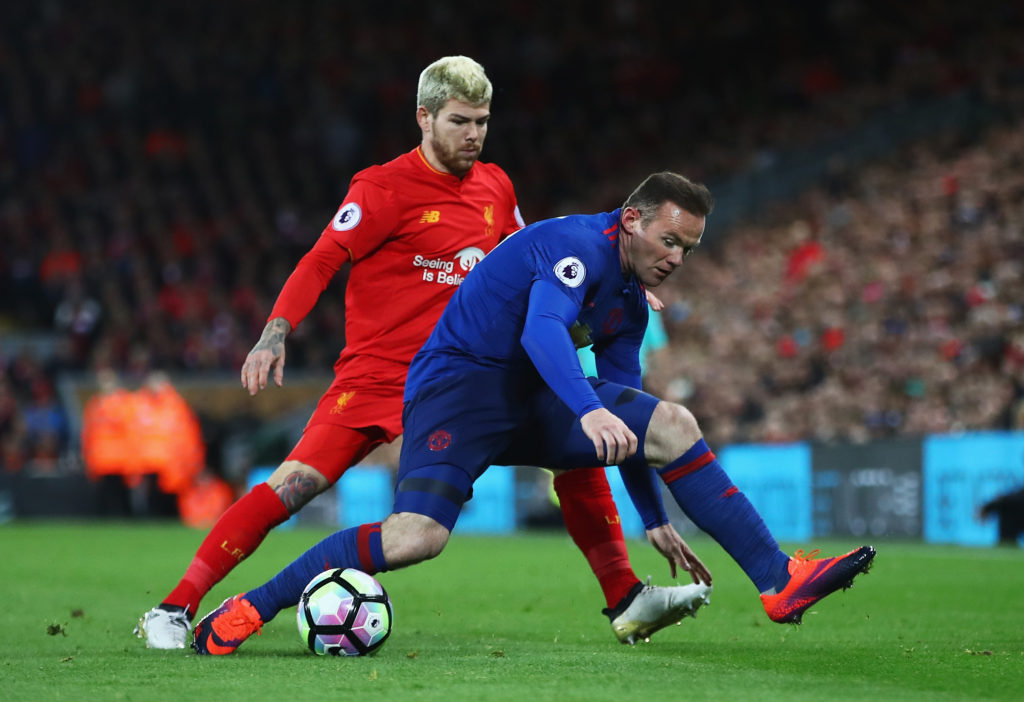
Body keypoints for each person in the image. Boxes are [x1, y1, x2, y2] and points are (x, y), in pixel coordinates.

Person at [137, 56, 703, 649]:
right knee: (294, 485)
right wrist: (275, 331)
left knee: (577, 449)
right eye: (460, 121)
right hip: (380, 375)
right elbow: (322, 259)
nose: (474, 134)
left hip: (471, 378)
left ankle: (627, 597)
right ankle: (176, 607)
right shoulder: (381, 188)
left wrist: (617, 285)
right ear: (424, 118)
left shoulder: (495, 185)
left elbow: (536, 259)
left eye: (483, 121)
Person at [191, 171, 876, 655]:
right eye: (670, 241)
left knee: (672, 424)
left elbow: (631, 419)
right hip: (457, 388)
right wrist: (584, 409)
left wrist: (655, 518)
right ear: (632, 219)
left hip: (532, 398)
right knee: (414, 539)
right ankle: (255, 603)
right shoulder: (575, 245)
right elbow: (542, 331)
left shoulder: (629, 304)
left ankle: (778, 581)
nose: (677, 258)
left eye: (689, 249)